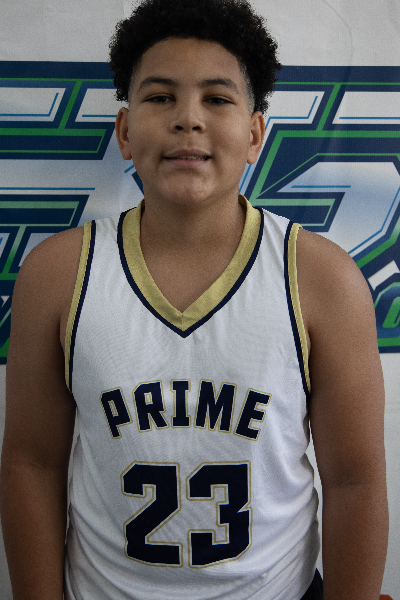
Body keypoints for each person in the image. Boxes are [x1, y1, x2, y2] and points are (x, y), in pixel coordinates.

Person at [0, 0, 388, 598]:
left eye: (217, 98)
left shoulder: (323, 279)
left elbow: (354, 480)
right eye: (160, 97)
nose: (188, 119)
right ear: (124, 131)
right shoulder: (57, 274)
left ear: (254, 134)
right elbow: (32, 463)